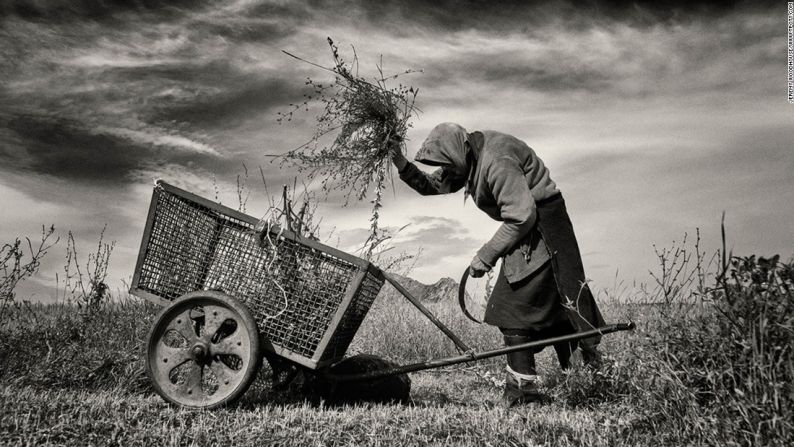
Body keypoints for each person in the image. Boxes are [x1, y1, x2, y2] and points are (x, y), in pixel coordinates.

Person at [390, 123, 605, 407]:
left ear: (459, 152)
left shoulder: (496, 160)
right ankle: (584, 379)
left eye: (447, 164)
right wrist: (399, 160)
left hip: (543, 229)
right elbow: (433, 185)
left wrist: (486, 255)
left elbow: (521, 216)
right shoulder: (467, 161)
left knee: (513, 308)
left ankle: (528, 392)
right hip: (531, 226)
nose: (447, 171)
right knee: (555, 307)